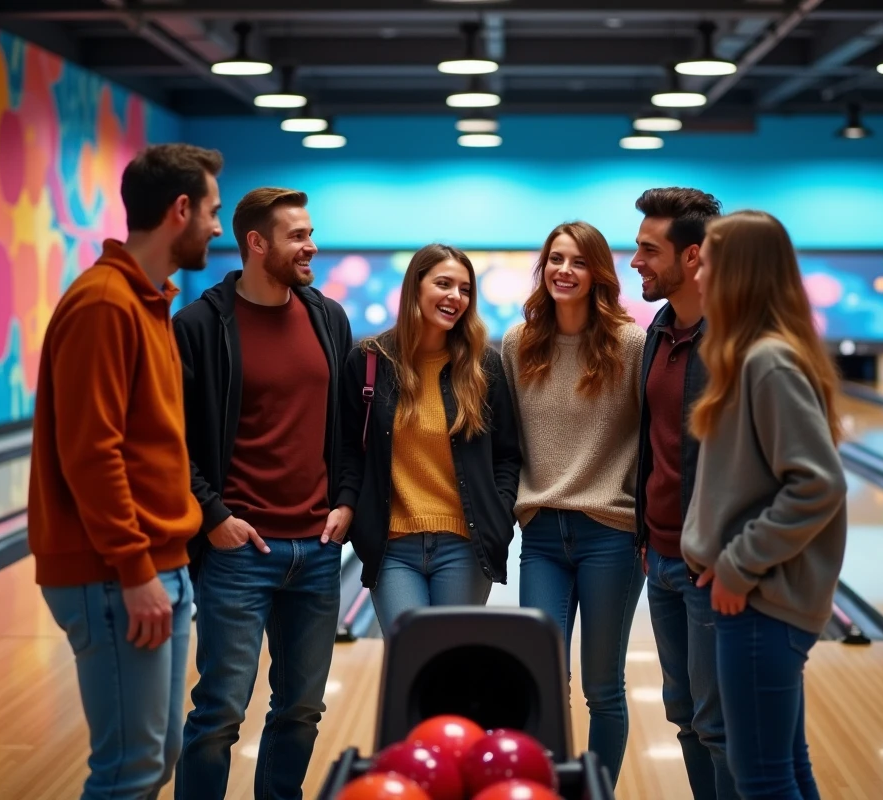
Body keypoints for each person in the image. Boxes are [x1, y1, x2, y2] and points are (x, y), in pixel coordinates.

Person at [28, 143, 223, 799]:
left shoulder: (147, 300)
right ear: (180, 209)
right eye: (213, 212)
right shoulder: (106, 306)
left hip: (154, 567)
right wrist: (136, 568)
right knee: (127, 771)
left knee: (153, 760)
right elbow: (91, 453)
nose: (217, 227)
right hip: (115, 574)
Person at [172, 188, 356, 800]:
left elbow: (346, 426)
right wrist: (214, 516)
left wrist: (347, 500)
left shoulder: (327, 317)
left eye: (310, 233)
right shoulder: (200, 325)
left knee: (301, 710)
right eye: (298, 236)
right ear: (256, 243)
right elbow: (174, 439)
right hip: (239, 551)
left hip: (318, 549)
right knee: (219, 713)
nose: (312, 246)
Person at [683, 210, 847, 800]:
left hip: (760, 600)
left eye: (710, 261)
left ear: (741, 273)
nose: (698, 274)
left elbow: (818, 483)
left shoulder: (766, 361)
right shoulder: (753, 355)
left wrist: (738, 564)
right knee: (786, 767)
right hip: (761, 599)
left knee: (761, 778)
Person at [500, 221, 646, 786]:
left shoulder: (631, 344)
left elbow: (654, 435)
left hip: (609, 531)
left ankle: (597, 791)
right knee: (541, 677)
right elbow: (507, 440)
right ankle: (542, 789)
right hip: (540, 535)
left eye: (578, 261)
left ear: (598, 273)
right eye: (555, 259)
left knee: (602, 686)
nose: (564, 270)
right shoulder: (519, 343)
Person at [339, 243, 520, 633]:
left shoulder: (482, 366)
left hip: (464, 546)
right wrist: (351, 512)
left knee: (452, 666)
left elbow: (507, 455)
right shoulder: (369, 361)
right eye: (443, 283)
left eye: (465, 289)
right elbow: (350, 451)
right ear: (415, 287)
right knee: (411, 664)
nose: (455, 296)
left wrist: (500, 515)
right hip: (392, 549)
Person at [631, 187, 739, 800]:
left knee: (718, 724)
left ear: (692, 256)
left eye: (649, 249)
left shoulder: (734, 343)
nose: (636, 260)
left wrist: (730, 554)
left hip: (709, 567)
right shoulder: (659, 332)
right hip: (662, 560)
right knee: (685, 717)